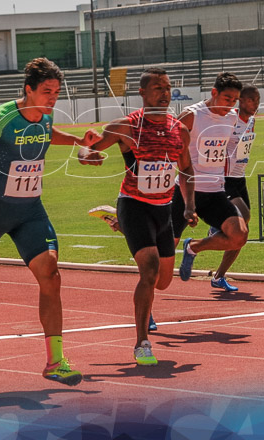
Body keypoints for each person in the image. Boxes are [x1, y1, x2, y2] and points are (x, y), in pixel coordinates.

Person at [0, 58, 99, 386]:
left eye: (57, 92)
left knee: (51, 275)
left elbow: (47, 133)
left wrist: (78, 143)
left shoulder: (45, 114)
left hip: (30, 211)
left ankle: (55, 361)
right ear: (28, 90)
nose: (53, 98)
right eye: (46, 92)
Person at [78, 67, 193, 366]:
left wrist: (189, 205)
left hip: (164, 208)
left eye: (167, 87)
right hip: (134, 203)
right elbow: (86, 149)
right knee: (150, 270)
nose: (164, 93)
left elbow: (187, 169)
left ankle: (120, 225)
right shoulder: (126, 127)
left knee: (164, 281)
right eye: (157, 87)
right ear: (142, 93)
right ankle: (142, 342)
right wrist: (89, 156)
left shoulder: (179, 130)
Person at [175, 72, 246, 283]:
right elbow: (169, 144)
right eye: (227, 99)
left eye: (234, 100)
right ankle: (121, 219)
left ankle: (193, 247)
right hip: (186, 190)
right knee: (163, 253)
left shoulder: (232, 117)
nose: (231, 104)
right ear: (214, 93)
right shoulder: (191, 115)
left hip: (215, 192)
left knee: (239, 235)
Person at [209, 85, 261, 292]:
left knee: (242, 234)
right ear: (241, 100)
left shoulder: (252, 121)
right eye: (251, 100)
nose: (256, 104)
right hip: (224, 178)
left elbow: (245, 146)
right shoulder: (229, 119)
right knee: (245, 216)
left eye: (258, 100)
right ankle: (215, 226)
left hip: (240, 177)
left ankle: (219, 276)